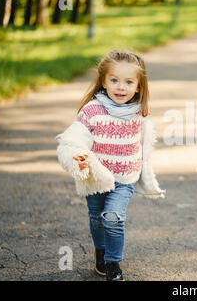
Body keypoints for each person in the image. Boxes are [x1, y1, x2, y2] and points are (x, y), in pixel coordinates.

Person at [56, 50, 165, 281]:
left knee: (113, 218)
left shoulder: (138, 113)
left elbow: (144, 145)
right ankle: (101, 252)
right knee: (96, 218)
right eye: (114, 80)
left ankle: (113, 263)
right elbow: (75, 137)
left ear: (138, 86)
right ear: (103, 81)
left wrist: (145, 174)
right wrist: (78, 154)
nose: (120, 87)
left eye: (128, 82)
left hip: (124, 179)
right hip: (95, 176)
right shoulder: (92, 110)